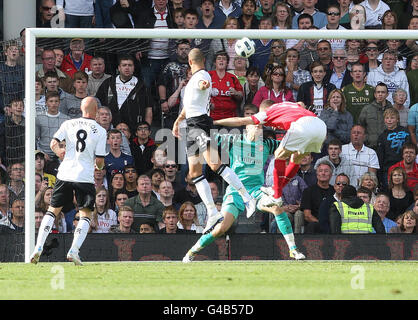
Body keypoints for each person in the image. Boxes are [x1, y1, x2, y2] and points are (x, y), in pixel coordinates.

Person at [182, 120, 305, 263]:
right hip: (236, 192)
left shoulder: (267, 144)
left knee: (277, 208)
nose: (259, 129)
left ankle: (293, 250)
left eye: (260, 127)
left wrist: (301, 129)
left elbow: (287, 147)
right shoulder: (234, 141)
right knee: (222, 227)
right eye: (256, 126)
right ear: (247, 128)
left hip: (256, 191)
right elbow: (210, 139)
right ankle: (192, 251)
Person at [172, 48, 256, 234]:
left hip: (201, 123)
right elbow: (189, 104)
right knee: (194, 173)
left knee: (215, 164)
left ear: (190, 60)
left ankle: (247, 197)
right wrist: (179, 120)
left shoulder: (203, 75)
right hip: (192, 124)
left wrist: (203, 85)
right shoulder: (194, 78)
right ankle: (212, 212)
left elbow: (204, 84)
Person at [30, 97, 107, 265]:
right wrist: (99, 167)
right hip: (84, 177)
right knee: (86, 213)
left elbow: (52, 143)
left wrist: (59, 152)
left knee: (52, 211)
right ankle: (74, 250)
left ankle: (37, 248)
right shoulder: (100, 131)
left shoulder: (68, 124)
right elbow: (100, 162)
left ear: (81, 108)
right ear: (96, 111)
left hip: (64, 173)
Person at [215, 100, 327, 205]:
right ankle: (278, 189)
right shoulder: (287, 105)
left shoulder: (266, 113)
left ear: (263, 110)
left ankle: (276, 195)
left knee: (279, 155)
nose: (267, 125)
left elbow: (240, 121)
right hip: (320, 127)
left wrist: (214, 121)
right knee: (296, 159)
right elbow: (301, 103)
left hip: (303, 127)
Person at [96, 54, 153, 133]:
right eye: (124, 65)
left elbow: (149, 109)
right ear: (119, 68)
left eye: (130, 65)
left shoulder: (141, 85)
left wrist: (147, 129)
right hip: (109, 128)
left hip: (134, 130)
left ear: (133, 68)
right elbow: (97, 104)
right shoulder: (109, 82)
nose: (127, 68)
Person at [158, 39, 191, 129]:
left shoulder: (195, 65)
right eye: (181, 49)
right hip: (172, 105)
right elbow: (162, 83)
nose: (184, 51)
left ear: (190, 50)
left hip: (190, 105)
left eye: (186, 49)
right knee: (171, 133)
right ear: (176, 50)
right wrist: (163, 101)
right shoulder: (169, 65)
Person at [36, 91, 71, 174]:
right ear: (46, 103)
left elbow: (68, 140)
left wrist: (61, 152)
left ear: (59, 103)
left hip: (61, 156)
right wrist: (42, 153)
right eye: (51, 101)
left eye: (56, 101)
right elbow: (35, 139)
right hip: (43, 155)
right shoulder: (39, 118)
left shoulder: (67, 119)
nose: (54, 104)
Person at [376, 107, 411, 191]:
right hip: (387, 169)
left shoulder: (405, 131)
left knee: (405, 190)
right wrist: (379, 175)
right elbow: (380, 156)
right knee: (389, 192)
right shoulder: (382, 136)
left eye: (392, 118)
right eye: (387, 118)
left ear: (397, 119)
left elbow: (409, 150)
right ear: (384, 120)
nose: (389, 120)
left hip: (403, 167)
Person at [209, 51, 243, 121]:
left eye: (224, 59)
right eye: (219, 58)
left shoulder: (232, 78)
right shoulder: (208, 76)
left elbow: (241, 95)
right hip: (212, 117)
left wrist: (236, 93)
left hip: (230, 118)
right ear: (215, 63)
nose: (221, 60)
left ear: (227, 63)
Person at [358, 82, 393, 150]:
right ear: (375, 94)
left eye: (383, 92)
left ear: (387, 94)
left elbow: (396, 128)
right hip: (370, 147)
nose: (380, 94)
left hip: (388, 147)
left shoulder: (392, 110)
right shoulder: (367, 109)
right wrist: (366, 139)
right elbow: (360, 127)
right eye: (378, 92)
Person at [4, 98, 25, 166]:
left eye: (21, 105)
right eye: (16, 105)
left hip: (25, 159)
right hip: (9, 159)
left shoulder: (29, 124)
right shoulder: (4, 125)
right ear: (10, 109)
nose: (19, 107)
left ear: (23, 108)